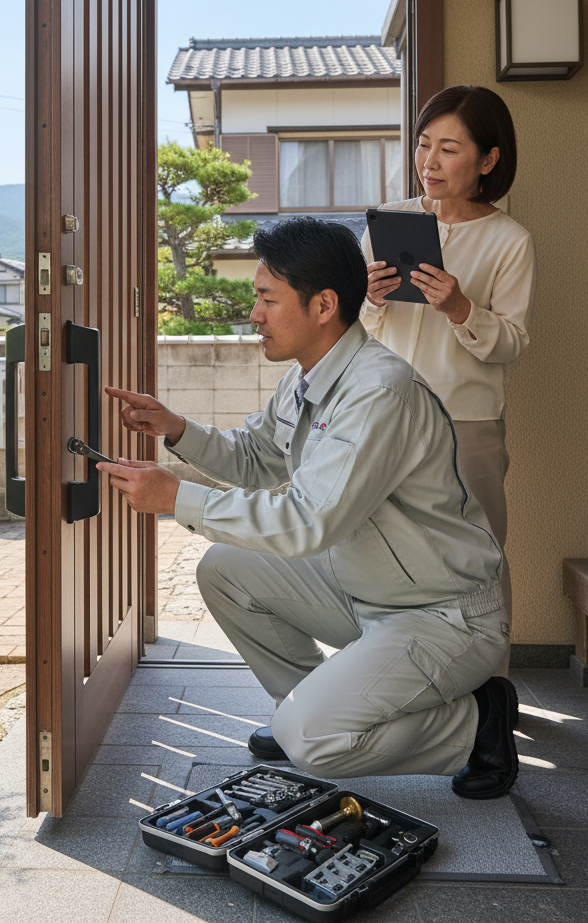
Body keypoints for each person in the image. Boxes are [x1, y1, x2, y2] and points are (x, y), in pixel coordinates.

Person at [98, 216, 519, 799]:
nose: (255, 315)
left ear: (324, 305)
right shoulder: (308, 379)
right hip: (369, 591)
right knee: (224, 569)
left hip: (444, 615)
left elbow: (307, 521)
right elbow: (255, 457)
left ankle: (476, 726)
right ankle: (309, 706)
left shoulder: (377, 391)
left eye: (268, 299)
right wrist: (175, 430)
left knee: (313, 741)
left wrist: (176, 497)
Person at [362, 85, 535, 677]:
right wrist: (370, 298)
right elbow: (358, 331)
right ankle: (395, 677)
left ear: (487, 160)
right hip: (386, 416)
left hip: (467, 424)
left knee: (479, 555)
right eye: (423, 145)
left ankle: (493, 695)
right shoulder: (392, 223)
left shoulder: (510, 240)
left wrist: (462, 309)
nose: (429, 162)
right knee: (381, 548)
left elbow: (512, 342)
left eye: (449, 149)